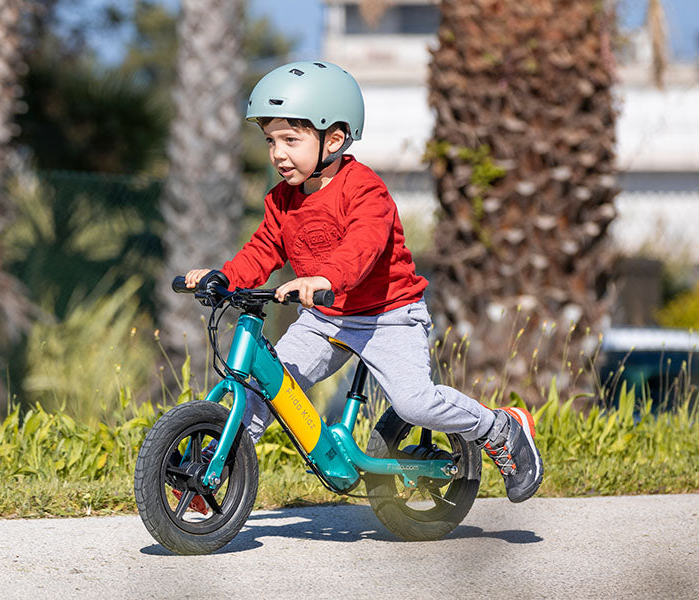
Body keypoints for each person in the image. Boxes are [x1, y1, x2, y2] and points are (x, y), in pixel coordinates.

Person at [185, 60, 543, 503]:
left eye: (291, 140)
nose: (277, 153)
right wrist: (224, 276)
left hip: (388, 316)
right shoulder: (281, 200)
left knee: (413, 403)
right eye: (271, 141)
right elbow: (261, 250)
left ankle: (501, 428)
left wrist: (324, 276)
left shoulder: (365, 190)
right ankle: (213, 472)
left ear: (334, 139)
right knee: (262, 390)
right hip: (324, 318)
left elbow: (363, 245)